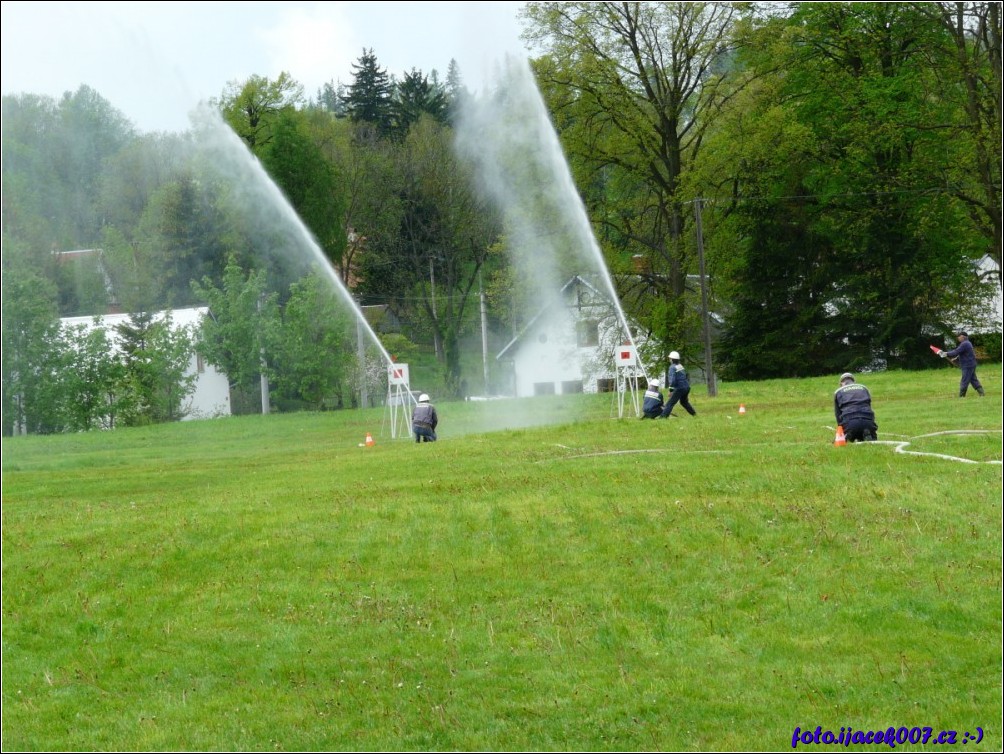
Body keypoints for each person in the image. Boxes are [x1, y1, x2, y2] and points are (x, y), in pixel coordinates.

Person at [938, 331, 985, 398]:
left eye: (958, 337)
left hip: (967, 365)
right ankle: (981, 393)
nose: (958, 338)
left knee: (965, 380)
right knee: (973, 379)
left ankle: (962, 396)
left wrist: (946, 353)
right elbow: (963, 353)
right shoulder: (967, 343)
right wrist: (955, 358)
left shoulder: (965, 343)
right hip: (971, 364)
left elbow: (956, 351)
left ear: (963, 337)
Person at [833, 372, 878, 442]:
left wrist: (841, 430)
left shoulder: (838, 391)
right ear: (853, 381)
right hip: (868, 421)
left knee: (847, 439)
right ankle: (867, 432)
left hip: (850, 422)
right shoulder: (864, 388)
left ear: (842, 383)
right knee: (871, 437)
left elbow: (838, 414)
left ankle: (852, 434)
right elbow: (869, 407)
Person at [660, 351, 697, 418]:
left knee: (670, 403)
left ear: (672, 359)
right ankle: (694, 414)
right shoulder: (680, 366)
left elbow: (673, 381)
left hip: (680, 388)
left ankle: (662, 418)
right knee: (684, 402)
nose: (669, 360)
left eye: (670, 358)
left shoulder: (672, 367)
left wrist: (671, 390)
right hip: (686, 387)